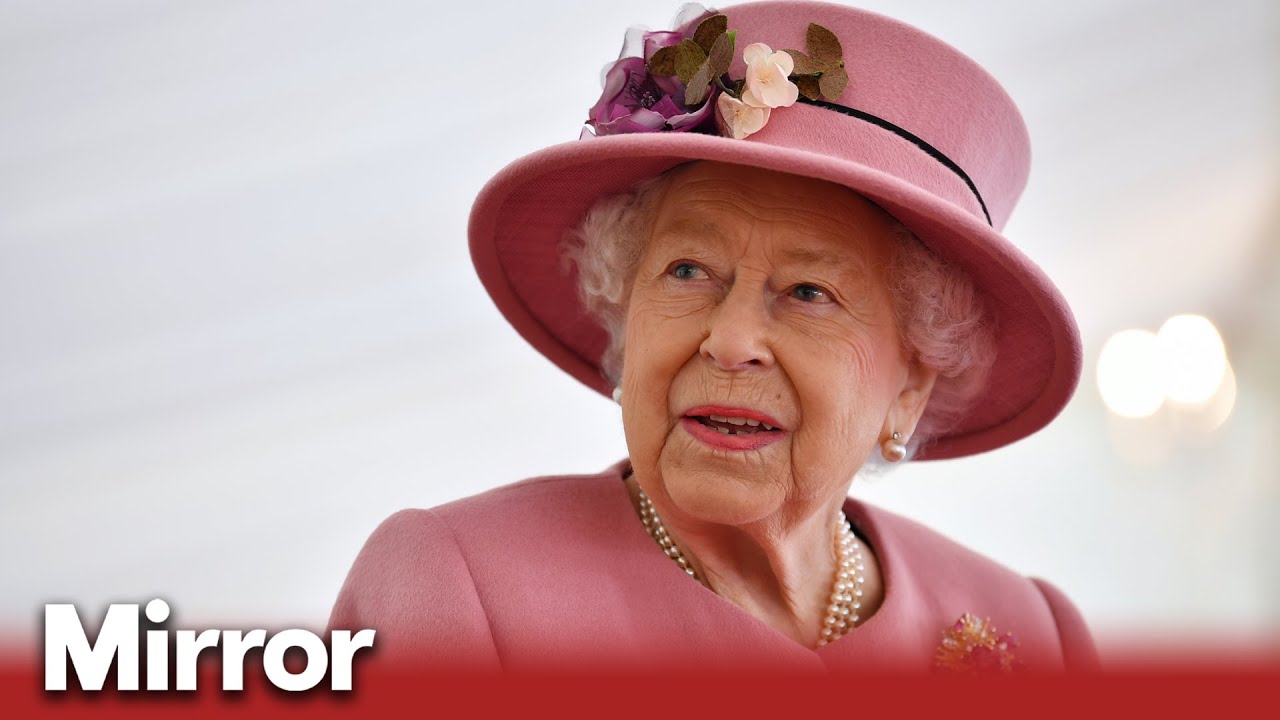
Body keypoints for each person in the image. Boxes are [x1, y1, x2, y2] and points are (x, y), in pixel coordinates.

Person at [327, 1, 1098, 673]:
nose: (730, 342)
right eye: (689, 271)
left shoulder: (1034, 637)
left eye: (807, 292)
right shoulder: (459, 588)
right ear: (626, 318)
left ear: (911, 385)